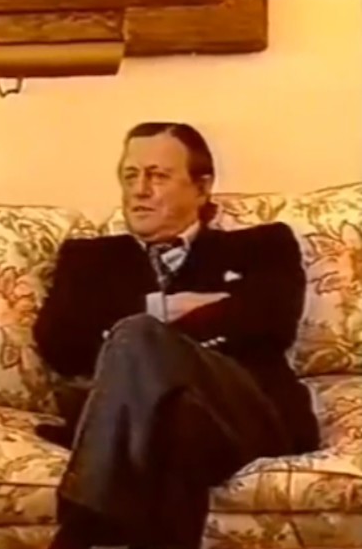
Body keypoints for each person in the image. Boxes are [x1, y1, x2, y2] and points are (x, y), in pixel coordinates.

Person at [33, 122, 320, 549]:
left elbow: (271, 320)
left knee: (137, 336)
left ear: (202, 188)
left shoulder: (262, 246)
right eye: (130, 175)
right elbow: (59, 342)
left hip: (244, 410)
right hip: (177, 423)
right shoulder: (88, 259)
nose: (139, 190)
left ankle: (82, 525)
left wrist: (144, 333)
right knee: (177, 426)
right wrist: (163, 308)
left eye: (158, 176)